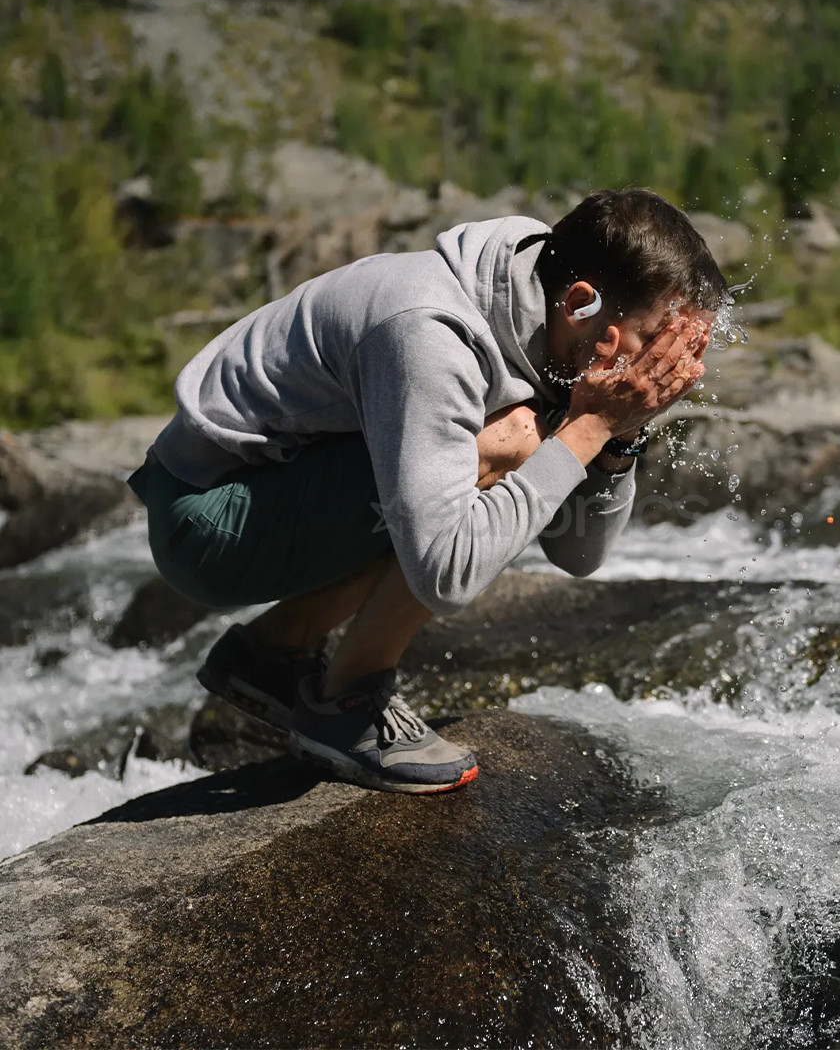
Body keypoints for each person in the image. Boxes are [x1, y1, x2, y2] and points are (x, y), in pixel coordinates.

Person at [127, 187, 727, 794]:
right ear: (580, 303)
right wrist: (588, 427)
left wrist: (619, 433)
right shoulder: (430, 330)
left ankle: (271, 656)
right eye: (653, 345)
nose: (659, 371)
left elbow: (577, 555)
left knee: (521, 442)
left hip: (281, 487)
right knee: (519, 437)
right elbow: (447, 570)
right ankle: (348, 704)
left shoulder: (549, 326)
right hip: (209, 516)